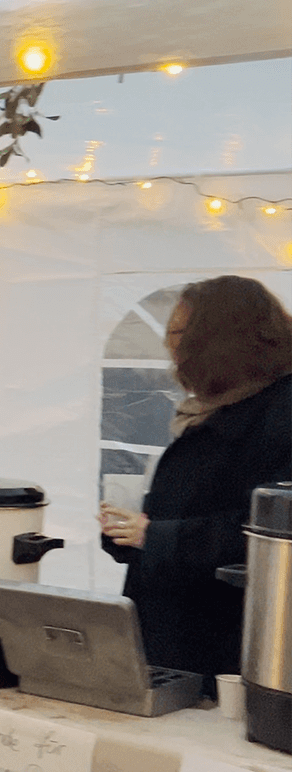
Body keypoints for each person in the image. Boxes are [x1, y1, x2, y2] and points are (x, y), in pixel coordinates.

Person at [100, 275, 292, 678]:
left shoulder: (280, 413)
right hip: (173, 639)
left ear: (221, 338)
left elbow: (266, 530)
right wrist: (130, 534)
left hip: (231, 650)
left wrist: (154, 536)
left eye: (180, 332)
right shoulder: (216, 407)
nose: (171, 346)